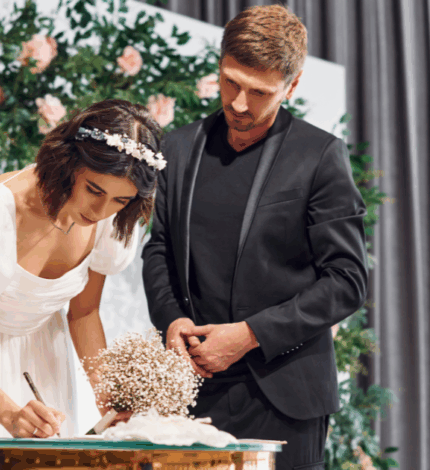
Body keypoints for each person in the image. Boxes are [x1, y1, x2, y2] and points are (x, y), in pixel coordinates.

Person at [142, 5, 368, 470]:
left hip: (285, 395)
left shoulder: (320, 155)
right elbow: (159, 249)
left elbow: (347, 281)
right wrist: (172, 322)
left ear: (293, 85)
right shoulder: (179, 148)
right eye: (231, 83)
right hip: (193, 390)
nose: (240, 104)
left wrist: (249, 336)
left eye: (260, 92)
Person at [0, 99, 165, 469]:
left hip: (45, 360)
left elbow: (84, 313)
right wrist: (9, 414)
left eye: (121, 200)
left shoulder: (110, 222)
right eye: (94, 190)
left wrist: (108, 399)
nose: (101, 212)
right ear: (70, 163)